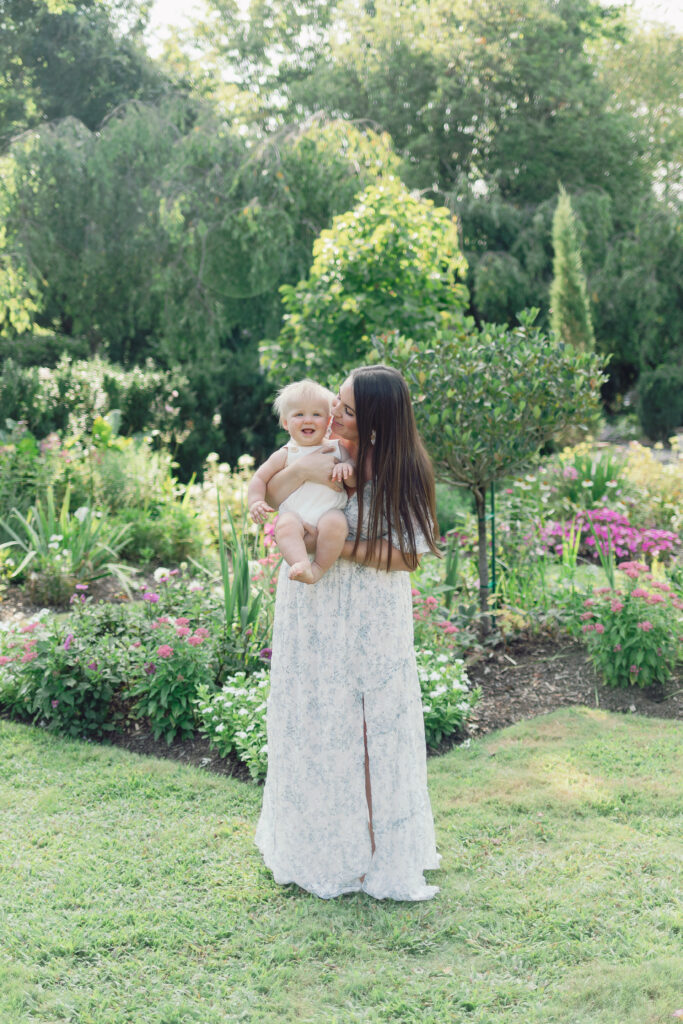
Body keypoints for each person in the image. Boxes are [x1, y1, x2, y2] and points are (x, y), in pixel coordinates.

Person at [255, 364, 443, 901]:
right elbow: (273, 492)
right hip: (311, 606)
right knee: (313, 717)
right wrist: (298, 489)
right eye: (336, 401)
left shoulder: (403, 470)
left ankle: (371, 852)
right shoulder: (321, 452)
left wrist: (331, 549)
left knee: (367, 727)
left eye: (349, 410)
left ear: (380, 422)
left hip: (368, 612)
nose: (333, 414)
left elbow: (407, 556)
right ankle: (317, 846)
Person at [247, 379, 356, 584]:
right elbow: (259, 478)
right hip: (297, 517)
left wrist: (347, 468)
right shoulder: (286, 454)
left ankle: (318, 569)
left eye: (316, 414)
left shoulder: (337, 448)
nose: (308, 420)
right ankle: (301, 563)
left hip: (328, 513)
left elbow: (352, 482)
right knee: (285, 525)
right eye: (299, 414)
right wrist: (255, 502)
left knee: (336, 522)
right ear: (286, 423)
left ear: (328, 421)